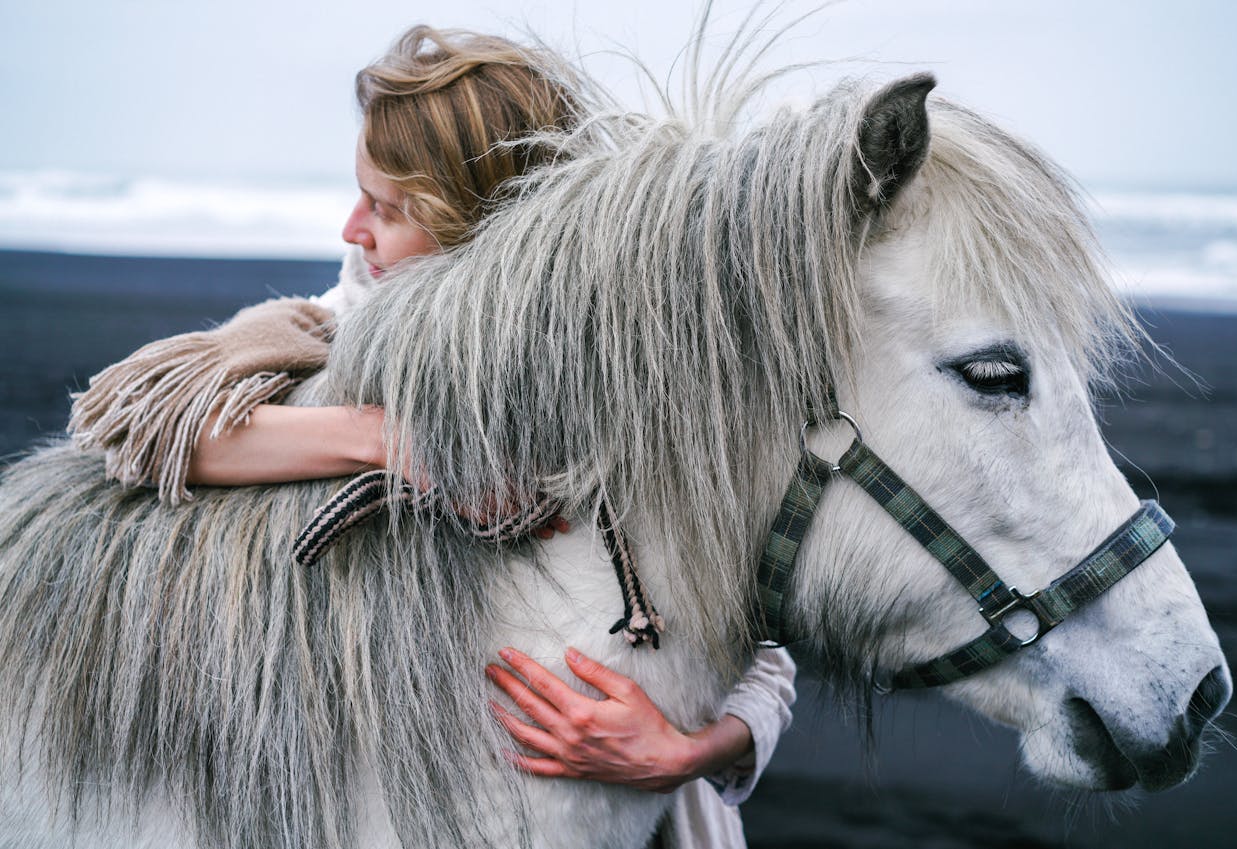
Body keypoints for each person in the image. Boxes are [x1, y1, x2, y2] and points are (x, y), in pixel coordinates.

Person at [68, 25, 795, 848]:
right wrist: (388, 440)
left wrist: (686, 751)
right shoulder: (343, 330)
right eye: (359, 195)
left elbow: (763, 634)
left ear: (474, 222)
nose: (351, 229)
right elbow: (168, 437)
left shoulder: (636, 383)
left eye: (389, 207)